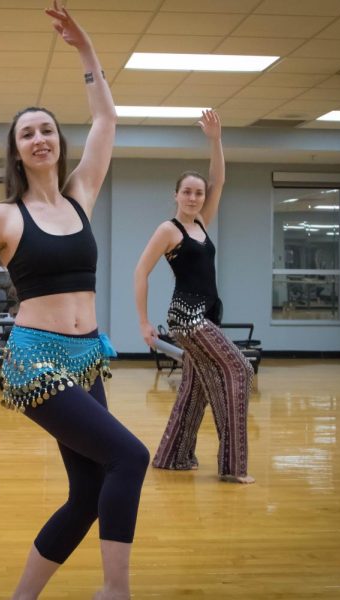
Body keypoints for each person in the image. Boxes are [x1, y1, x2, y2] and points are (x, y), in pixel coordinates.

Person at [0, 4, 149, 599]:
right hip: (36, 359)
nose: (39, 138)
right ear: (17, 150)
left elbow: (107, 119)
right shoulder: (3, 217)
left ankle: (22, 597)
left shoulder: (82, 194)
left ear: (59, 142)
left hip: (88, 356)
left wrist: (86, 53)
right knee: (130, 458)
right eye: (26, 133)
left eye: (47, 130)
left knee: (86, 494)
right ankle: (116, 591)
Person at [133, 109, 255, 484]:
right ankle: (233, 467)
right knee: (239, 370)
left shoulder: (202, 221)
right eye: (187, 191)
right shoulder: (168, 230)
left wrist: (215, 139)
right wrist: (143, 323)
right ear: (176, 195)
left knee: (197, 384)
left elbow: (219, 179)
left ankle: (173, 455)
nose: (193, 197)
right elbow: (141, 272)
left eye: (198, 192)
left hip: (206, 315)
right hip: (187, 317)